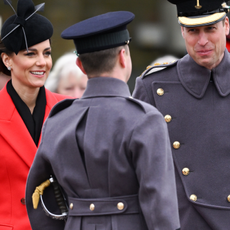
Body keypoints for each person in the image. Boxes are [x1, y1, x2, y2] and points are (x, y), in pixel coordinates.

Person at [25, 11, 180, 230]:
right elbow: (160, 208)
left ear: (80, 65)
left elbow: (37, 194)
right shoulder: (145, 119)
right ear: (122, 57)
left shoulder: (58, 119)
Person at [133, 0, 230, 229]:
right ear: (181, 31)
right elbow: (133, 169)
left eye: (210, 29)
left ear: (226, 25)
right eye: (193, 31)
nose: (202, 41)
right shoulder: (152, 86)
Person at [0, 0, 70, 229]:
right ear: (7, 59)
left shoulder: (69, 110)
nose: (42, 62)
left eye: (47, 53)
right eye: (30, 54)